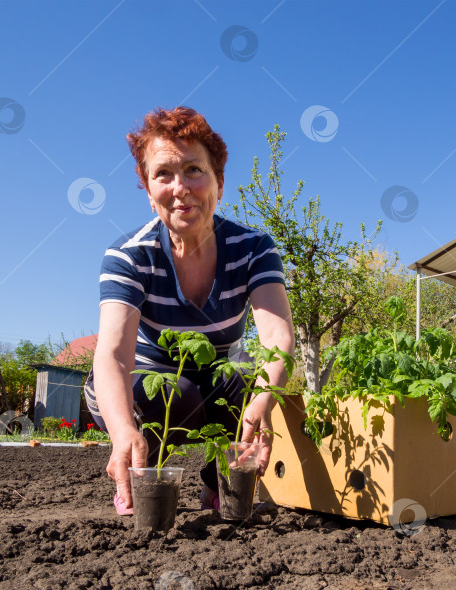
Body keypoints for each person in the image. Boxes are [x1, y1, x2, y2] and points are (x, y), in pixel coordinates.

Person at [84, 106, 294, 515]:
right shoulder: (130, 256)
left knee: (251, 373)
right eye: (163, 174)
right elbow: (113, 355)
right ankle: (142, 477)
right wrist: (123, 430)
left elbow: (277, 337)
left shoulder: (253, 248)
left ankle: (221, 483)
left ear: (219, 182)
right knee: (175, 392)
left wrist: (263, 402)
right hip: (143, 387)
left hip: (214, 383)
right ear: (148, 190)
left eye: (194, 170)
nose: (180, 187)